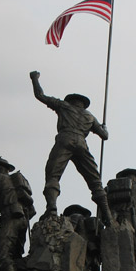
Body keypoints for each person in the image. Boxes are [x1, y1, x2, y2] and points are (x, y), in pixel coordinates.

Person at [29, 70, 116, 226]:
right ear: (83, 103)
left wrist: (34, 78)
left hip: (65, 139)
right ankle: (108, 217)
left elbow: (40, 95)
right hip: (82, 143)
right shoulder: (89, 116)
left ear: (71, 101)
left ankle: (52, 208)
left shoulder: (64, 106)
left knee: (53, 175)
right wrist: (104, 127)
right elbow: (105, 135)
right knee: (95, 182)